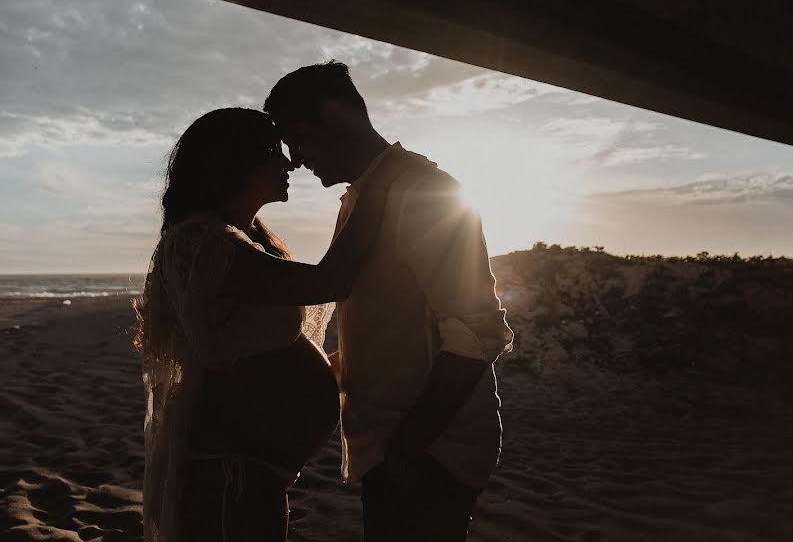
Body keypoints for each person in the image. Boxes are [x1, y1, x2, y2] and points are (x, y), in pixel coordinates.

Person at [133, 107, 411, 541]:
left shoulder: (235, 239)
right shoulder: (200, 244)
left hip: (248, 473)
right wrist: (375, 187)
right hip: (225, 474)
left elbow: (259, 348)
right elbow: (329, 280)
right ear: (235, 162)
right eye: (275, 153)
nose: (289, 163)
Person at [264, 61, 514, 541]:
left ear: (333, 116)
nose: (293, 159)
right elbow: (389, 322)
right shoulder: (368, 196)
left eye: (293, 136)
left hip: (432, 450)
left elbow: (478, 328)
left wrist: (409, 447)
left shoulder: (424, 190)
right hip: (398, 445)